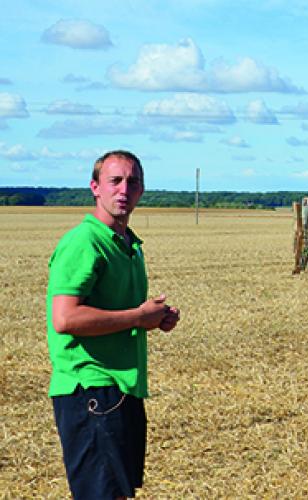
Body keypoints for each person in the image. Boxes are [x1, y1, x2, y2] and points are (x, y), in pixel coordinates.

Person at [46, 150, 180, 499]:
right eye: (114, 181)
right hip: (90, 388)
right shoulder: (85, 242)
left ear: (142, 190)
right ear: (95, 187)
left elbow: (115, 312)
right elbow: (65, 318)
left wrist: (153, 319)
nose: (124, 189)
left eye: (132, 182)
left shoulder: (127, 244)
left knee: (118, 493)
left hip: (121, 389)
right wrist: (138, 317)